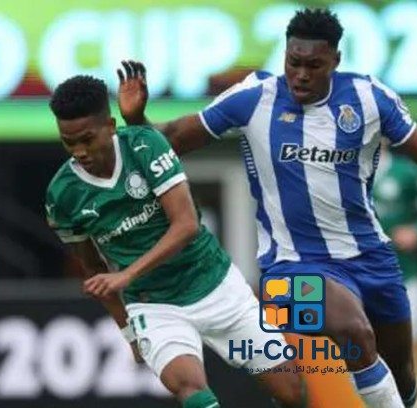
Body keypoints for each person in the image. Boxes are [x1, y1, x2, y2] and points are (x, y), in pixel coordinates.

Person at [115, 8, 417, 408]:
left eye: (313, 65)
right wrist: (137, 121)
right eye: (293, 62)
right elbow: (172, 139)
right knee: (354, 332)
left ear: (336, 60)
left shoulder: (370, 99)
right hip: (289, 268)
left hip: (372, 260)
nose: (300, 74)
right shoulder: (254, 98)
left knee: (401, 375)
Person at [44, 75, 305, 408]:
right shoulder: (62, 195)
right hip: (155, 306)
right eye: (69, 143)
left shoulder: (145, 145)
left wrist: (126, 275)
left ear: (109, 126)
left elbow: (186, 225)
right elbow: (94, 270)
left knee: (291, 392)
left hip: (215, 285)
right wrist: (129, 333)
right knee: (190, 389)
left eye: (87, 139)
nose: (79, 151)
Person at [372, 143, 417, 345]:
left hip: (405, 275)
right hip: (358, 277)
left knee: (410, 342)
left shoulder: (406, 171)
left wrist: (416, 230)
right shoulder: (342, 172)